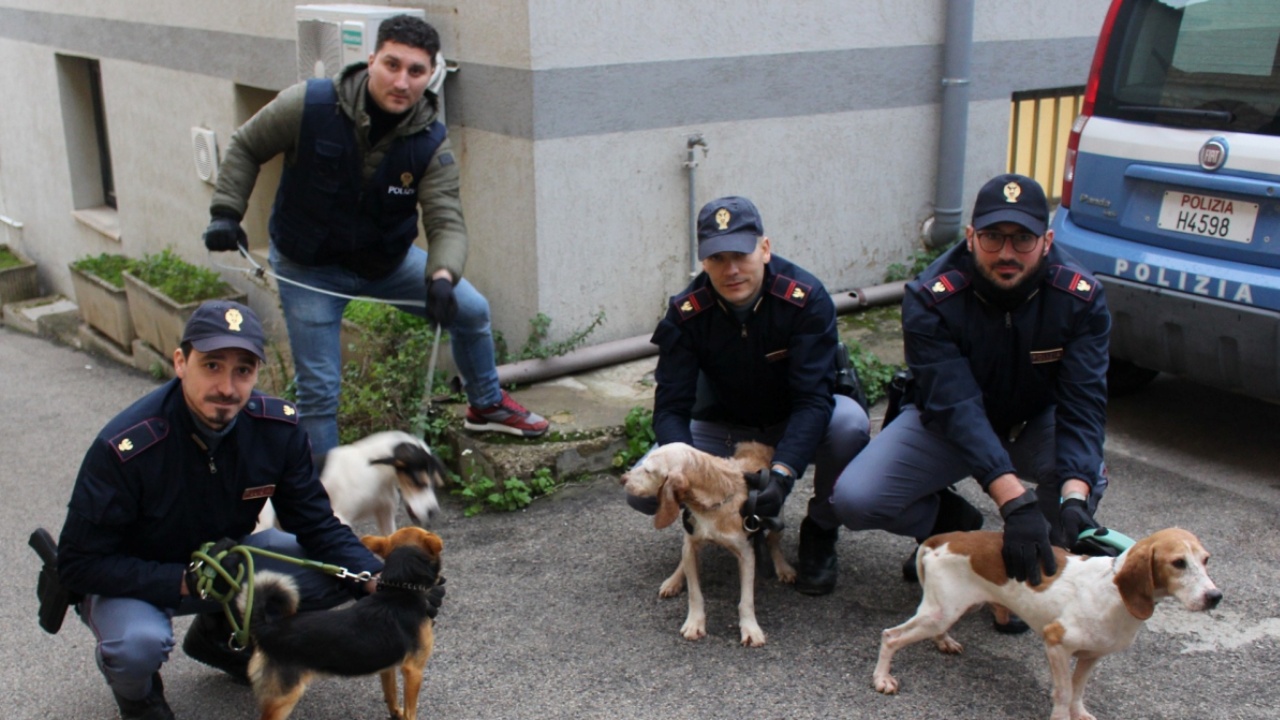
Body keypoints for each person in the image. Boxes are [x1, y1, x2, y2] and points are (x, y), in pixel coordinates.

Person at [55, 300, 442, 720]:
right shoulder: (126, 446)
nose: (227, 386)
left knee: (335, 572)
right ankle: (137, 694)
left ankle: (218, 636)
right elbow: (77, 564)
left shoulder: (276, 430)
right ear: (181, 362)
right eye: (212, 365)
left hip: (226, 563)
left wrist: (377, 578)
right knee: (137, 646)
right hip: (136, 578)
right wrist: (180, 582)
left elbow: (314, 522)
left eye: (243, 369)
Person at [201, 14, 547, 457]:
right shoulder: (308, 105)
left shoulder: (428, 142)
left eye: (416, 71)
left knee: (472, 310)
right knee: (320, 391)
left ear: (430, 76)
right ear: (371, 61)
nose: (402, 81)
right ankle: (319, 504)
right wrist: (227, 213)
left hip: (386, 263)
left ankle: (485, 405)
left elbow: (446, 221)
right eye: (392, 65)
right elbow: (246, 146)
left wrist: (442, 275)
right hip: (310, 268)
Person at [827, 173, 1111, 627]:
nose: (1006, 253)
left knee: (1083, 474)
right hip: (952, 424)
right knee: (858, 498)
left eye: (1022, 239)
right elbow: (955, 406)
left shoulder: (1080, 297)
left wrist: (1074, 500)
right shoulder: (932, 296)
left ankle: (1027, 576)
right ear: (970, 236)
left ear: (1047, 240)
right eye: (993, 237)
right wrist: (1012, 501)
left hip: (1036, 423)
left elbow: (1083, 406)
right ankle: (953, 521)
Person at [627, 196, 872, 596]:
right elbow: (671, 407)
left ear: (765, 248)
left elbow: (813, 401)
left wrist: (783, 474)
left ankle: (822, 529)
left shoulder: (805, 299)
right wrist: (689, 472)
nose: (732, 269)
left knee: (848, 424)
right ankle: (722, 524)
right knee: (647, 490)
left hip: (791, 420)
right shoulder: (686, 313)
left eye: (741, 253)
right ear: (703, 262)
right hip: (723, 427)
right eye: (718, 258)